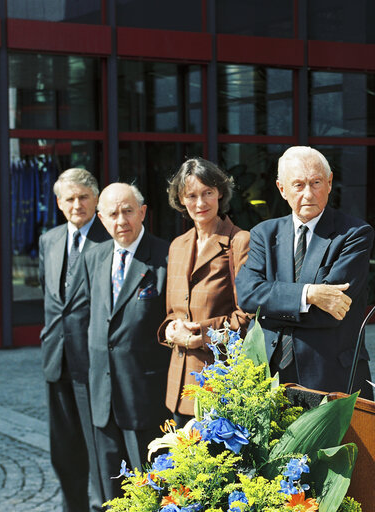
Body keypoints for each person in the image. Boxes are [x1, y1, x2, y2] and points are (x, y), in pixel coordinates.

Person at [235, 146, 374, 398]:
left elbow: (333, 312)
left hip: (330, 377)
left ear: (329, 183)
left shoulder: (354, 234)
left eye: (316, 182)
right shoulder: (263, 234)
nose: (308, 194)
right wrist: (309, 294)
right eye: (298, 185)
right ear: (282, 189)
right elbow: (246, 295)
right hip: (268, 376)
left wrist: (271, 307)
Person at [83, 183, 170, 501]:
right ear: (101, 219)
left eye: (128, 211)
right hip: (103, 398)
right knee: (110, 493)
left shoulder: (164, 256)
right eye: (112, 214)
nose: (121, 220)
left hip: (145, 396)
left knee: (152, 491)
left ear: (143, 212)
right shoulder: (94, 258)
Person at [158, 158, 251, 425]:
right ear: (181, 199)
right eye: (192, 195)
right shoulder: (177, 245)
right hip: (178, 386)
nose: (200, 203)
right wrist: (169, 329)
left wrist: (202, 337)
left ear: (220, 192)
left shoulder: (239, 241)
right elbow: (171, 312)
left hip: (218, 383)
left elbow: (246, 318)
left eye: (207, 193)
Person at [38, 168, 109, 512]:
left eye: (84, 197)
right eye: (70, 198)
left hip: (93, 363)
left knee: (96, 447)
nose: (77, 204)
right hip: (56, 360)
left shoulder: (110, 238)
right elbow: (51, 299)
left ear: (96, 199)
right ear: (58, 203)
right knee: (63, 449)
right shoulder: (48, 241)